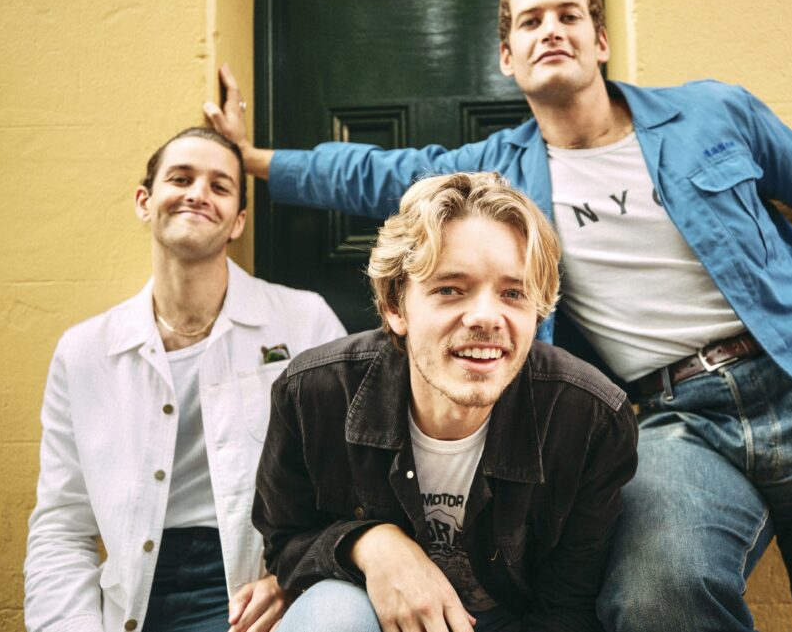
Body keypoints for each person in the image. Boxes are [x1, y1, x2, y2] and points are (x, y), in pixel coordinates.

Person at [205, 0, 792, 632]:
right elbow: (369, 174)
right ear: (507, 56)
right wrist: (249, 159)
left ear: (600, 42)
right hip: (674, 420)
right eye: (529, 21)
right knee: (653, 595)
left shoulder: (715, 112)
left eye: (568, 15)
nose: (550, 30)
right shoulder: (498, 168)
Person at [252, 172, 638, 632]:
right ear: (397, 307)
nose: (485, 317)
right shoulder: (312, 393)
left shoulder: (590, 418)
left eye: (513, 293)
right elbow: (285, 545)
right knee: (334, 611)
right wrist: (372, 546)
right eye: (450, 289)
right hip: (371, 614)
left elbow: (567, 610)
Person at [24, 127, 346, 632]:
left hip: (258, 586)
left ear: (238, 220)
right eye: (181, 178)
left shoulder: (305, 322)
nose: (198, 193)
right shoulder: (84, 353)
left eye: (220, 186)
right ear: (144, 201)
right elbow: (63, 524)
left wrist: (294, 574)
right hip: (135, 593)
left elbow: (347, 483)